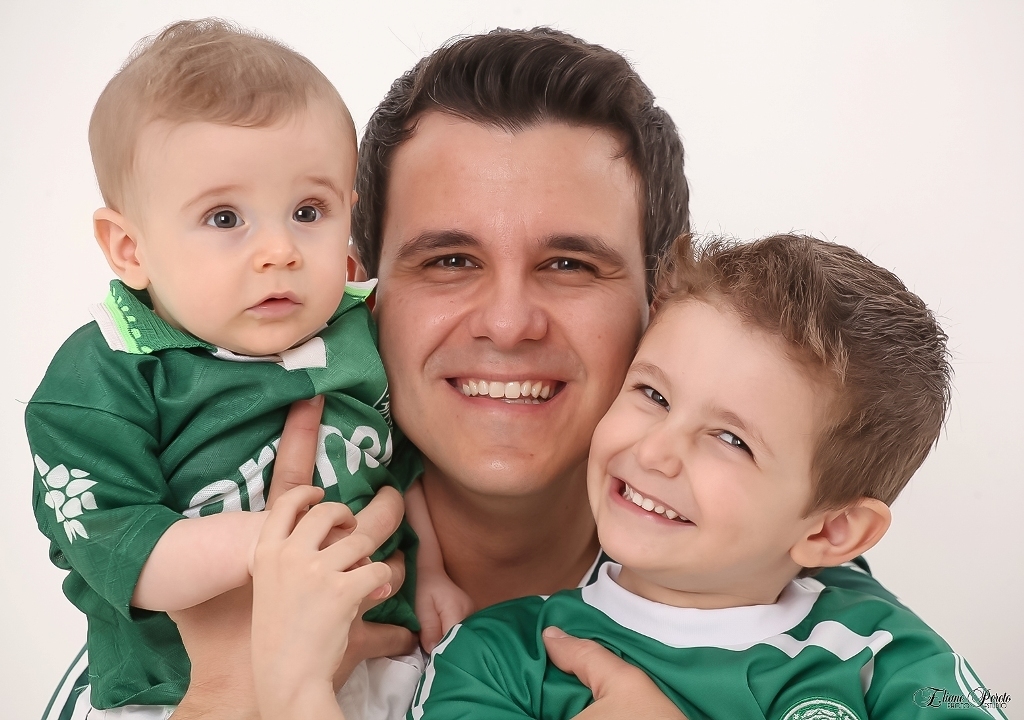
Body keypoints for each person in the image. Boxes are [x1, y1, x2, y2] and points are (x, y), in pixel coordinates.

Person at [44, 27, 958, 720]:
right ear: (359, 284)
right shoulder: (168, 632)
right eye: (449, 261)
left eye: (570, 264)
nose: (509, 322)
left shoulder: (826, 621)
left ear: (663, 298)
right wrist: (227, 697)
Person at [28, 19, 468, 719]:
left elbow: (400, 470)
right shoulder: (107, 376)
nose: (279, 251)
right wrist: (273, 546)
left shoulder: (359, 333)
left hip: (373, 652)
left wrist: (433, 574)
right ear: (129, 248)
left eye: (308, 211)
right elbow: (120, 550)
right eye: (225, 218)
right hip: (179, 687)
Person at [402, 234, 1004, 719]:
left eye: (731, 440)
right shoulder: (499, 658)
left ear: (833, 529)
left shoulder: (887, 656)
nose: (655, 451)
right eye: (653, 394)